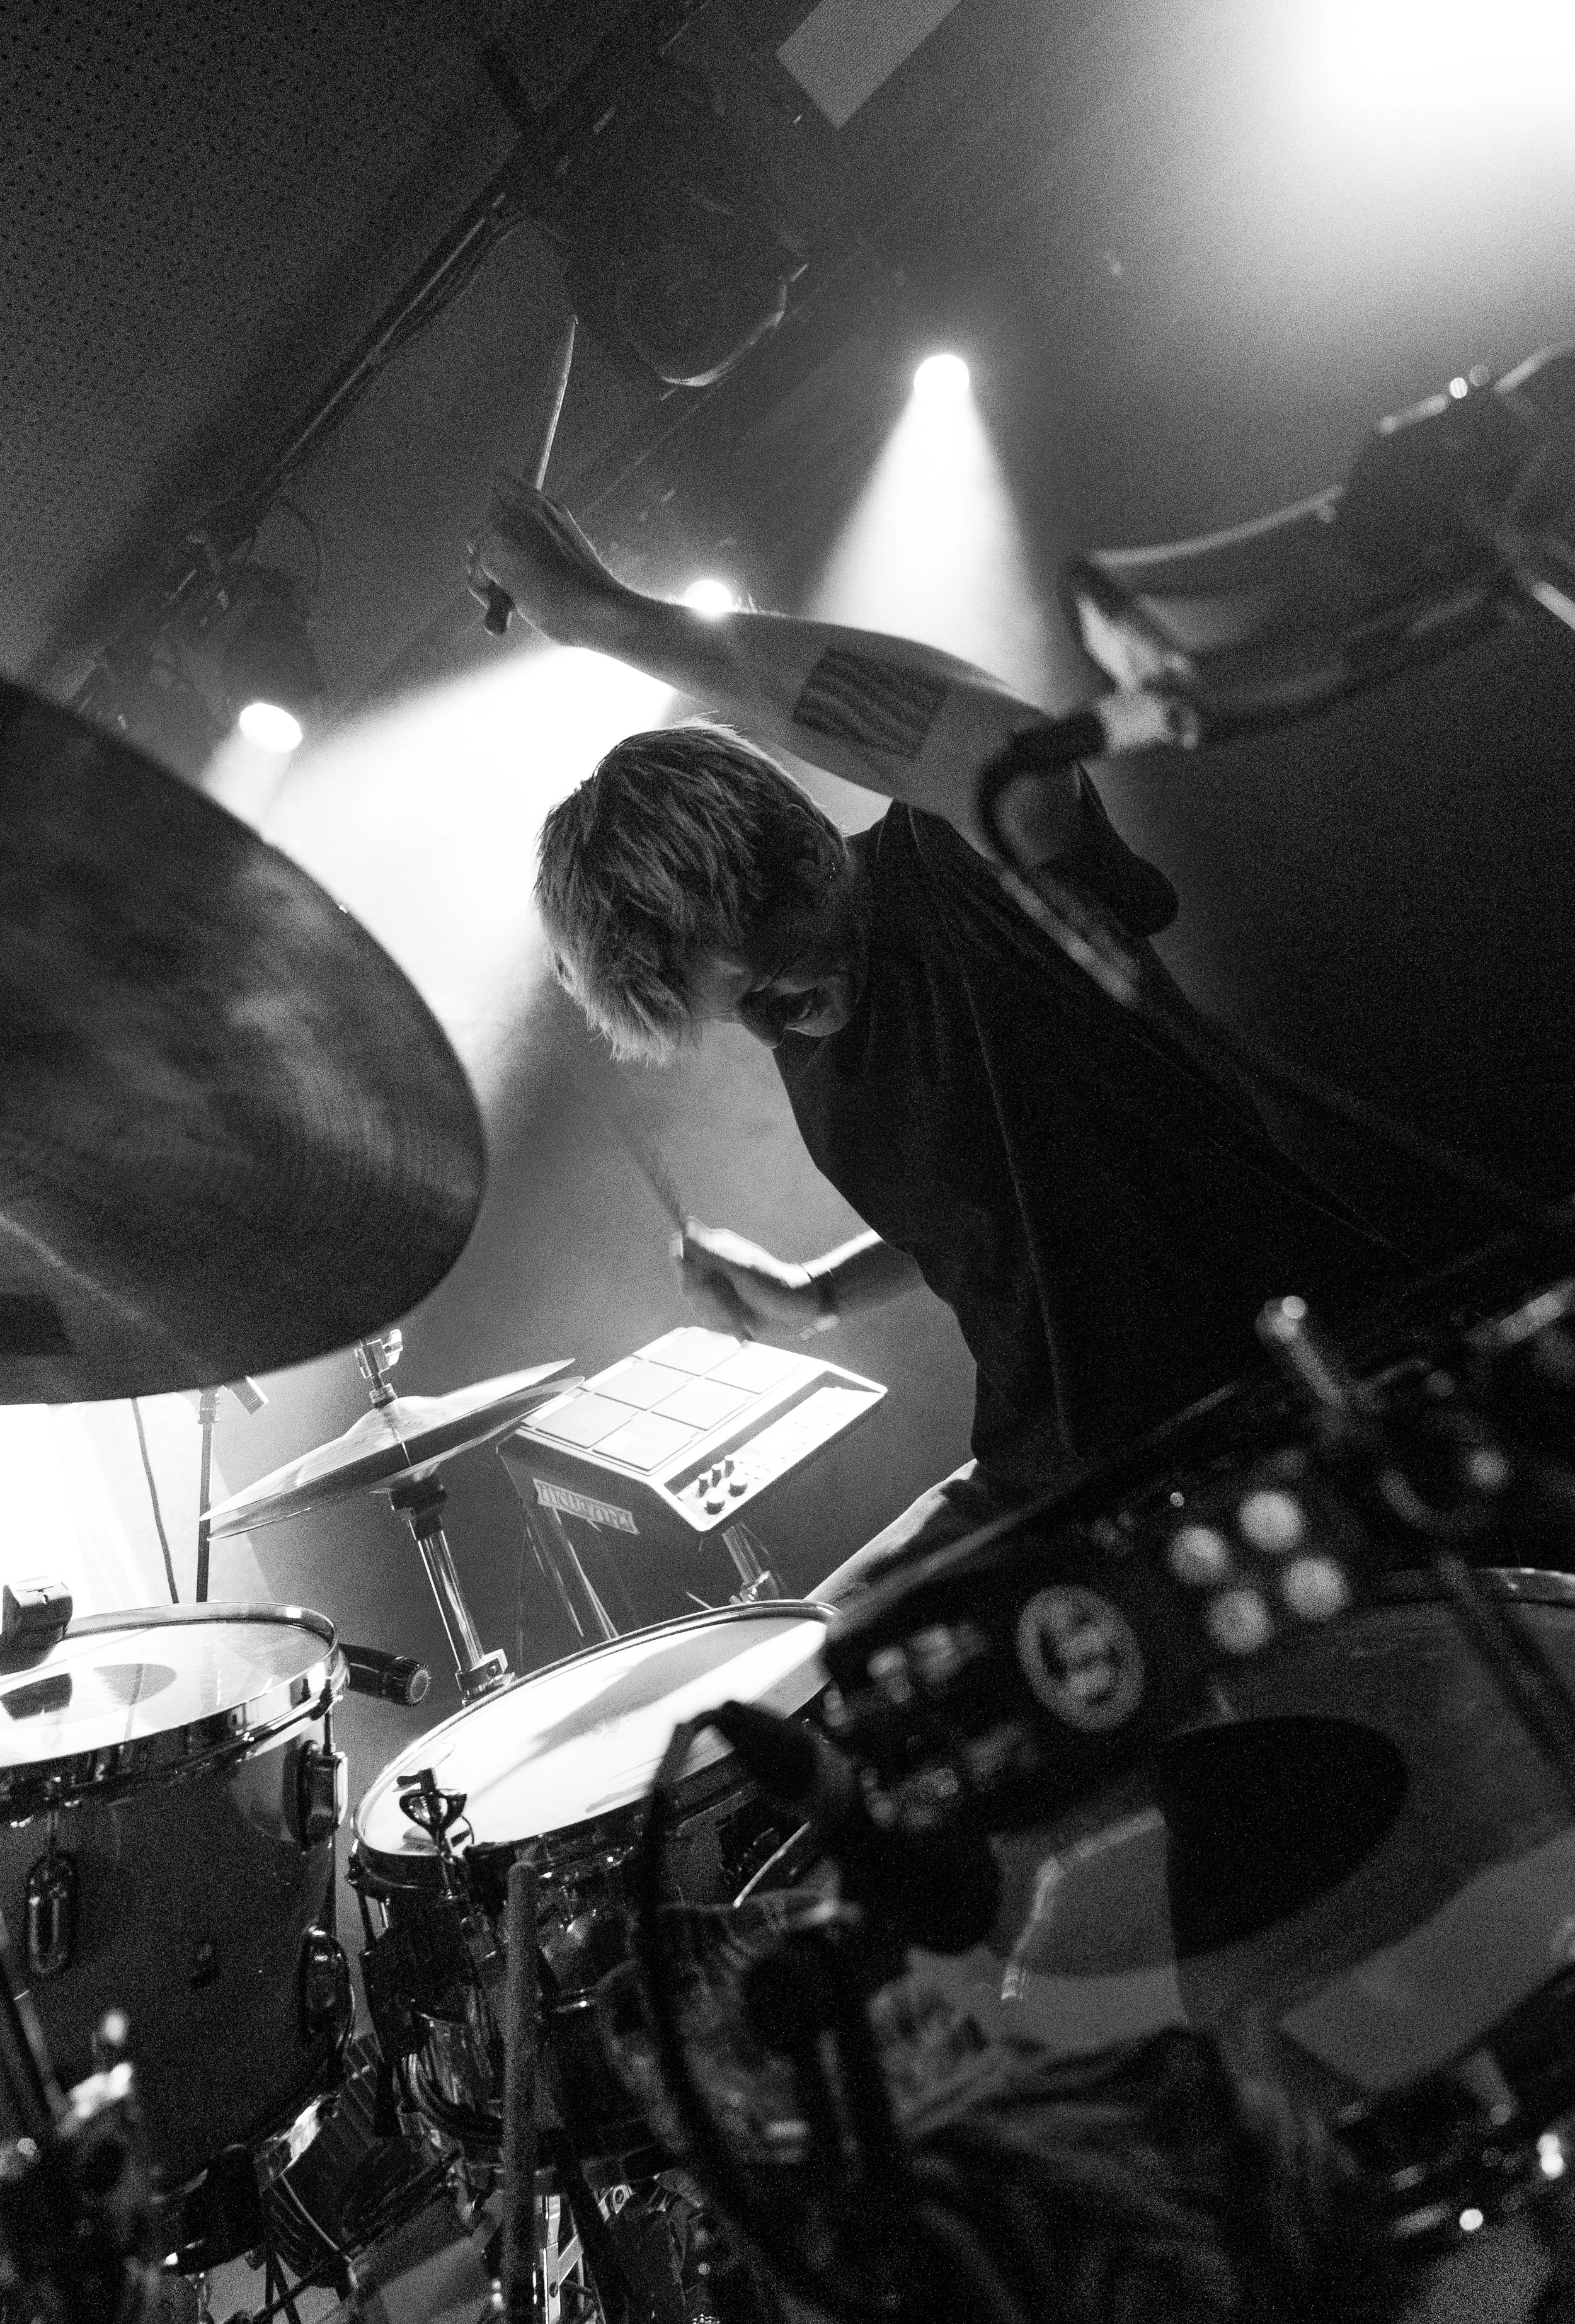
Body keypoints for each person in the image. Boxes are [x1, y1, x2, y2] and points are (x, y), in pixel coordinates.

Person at [471, 479, 1414, 1598]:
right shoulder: (809, 1033)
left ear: (804, 858)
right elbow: (990, 1219)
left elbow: (1006, 747)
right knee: (811, 1652)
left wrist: (611, 619)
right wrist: (818, 1291)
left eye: (765, 983)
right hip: (1068, 1471)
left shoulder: (956, 876)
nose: (768, 1028)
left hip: (1272, 1392)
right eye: (734, 1016)